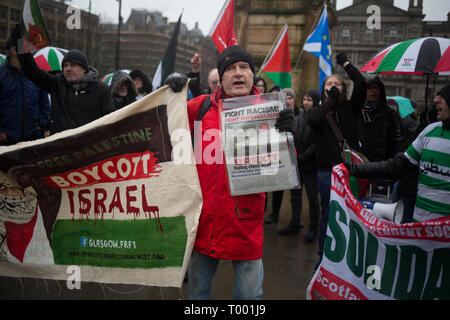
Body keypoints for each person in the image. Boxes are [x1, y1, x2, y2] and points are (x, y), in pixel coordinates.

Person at [165, 45, 296, 300]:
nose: (238, 73)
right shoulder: (200, 107)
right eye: (231, 69)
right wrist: (174, 89)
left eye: (244, 68)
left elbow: (286, 171)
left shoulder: (270, 112)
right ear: (221, 78)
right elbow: (164, 119)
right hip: (205, 222)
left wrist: (290, 137)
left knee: (249, 296)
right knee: (197, 293)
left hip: (245, 222)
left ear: (252, 75)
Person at [345, 84, 450, 223]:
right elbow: (397, 165)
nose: (436, 99)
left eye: (443, 96)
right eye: (437, 95)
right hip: (420, 227)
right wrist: (351, 168)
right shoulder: (429, 131)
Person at [306, 52, 366, 270]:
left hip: (350, 171)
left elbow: (360, 82)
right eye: (329, 84)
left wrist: (345, 63)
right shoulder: (321, 111)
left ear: (343, 88)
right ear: (324, 90)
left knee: (350, 213)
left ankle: (347, 257)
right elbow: (311, 119)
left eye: (337, 84)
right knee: (329, 215)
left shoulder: (351, 107)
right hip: (326, 172)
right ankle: (323, 258)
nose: (333, 86)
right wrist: (329, 100)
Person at [14, 26, 114, 135]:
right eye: (65, 65)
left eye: (73, 65)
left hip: (89, 147)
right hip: (60, 146)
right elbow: (31, 71)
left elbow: (110, 120)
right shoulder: (57, 83)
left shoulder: (101, 89)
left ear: (84, 69)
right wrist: (21, 42)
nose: (68, 69)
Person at [0, 26, 50, 145]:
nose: (30, 50)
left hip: (33, 138)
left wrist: (41, 126)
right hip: (6, 140)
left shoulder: (35, 74)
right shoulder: (1, 75)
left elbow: (44, 103)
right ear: (13, 50)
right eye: (26, 46)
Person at [358, 74, 402, 162]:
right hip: (358, 161)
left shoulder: (389, 113)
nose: (374, 91)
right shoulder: (354, 111)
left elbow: (395, 142)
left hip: (380, 163)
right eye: (370, 87)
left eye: (377, 88)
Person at [298, 89, 321, 242]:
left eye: (309, 100)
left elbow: (316, 144)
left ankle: (314, 227)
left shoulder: (318, 118)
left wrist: (302, 157)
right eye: (305, 99)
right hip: (297, 164)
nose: (306, 103)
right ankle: (295, 223)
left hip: (310, 166)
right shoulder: (299, 116)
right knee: (295, 197)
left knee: (312, 199)